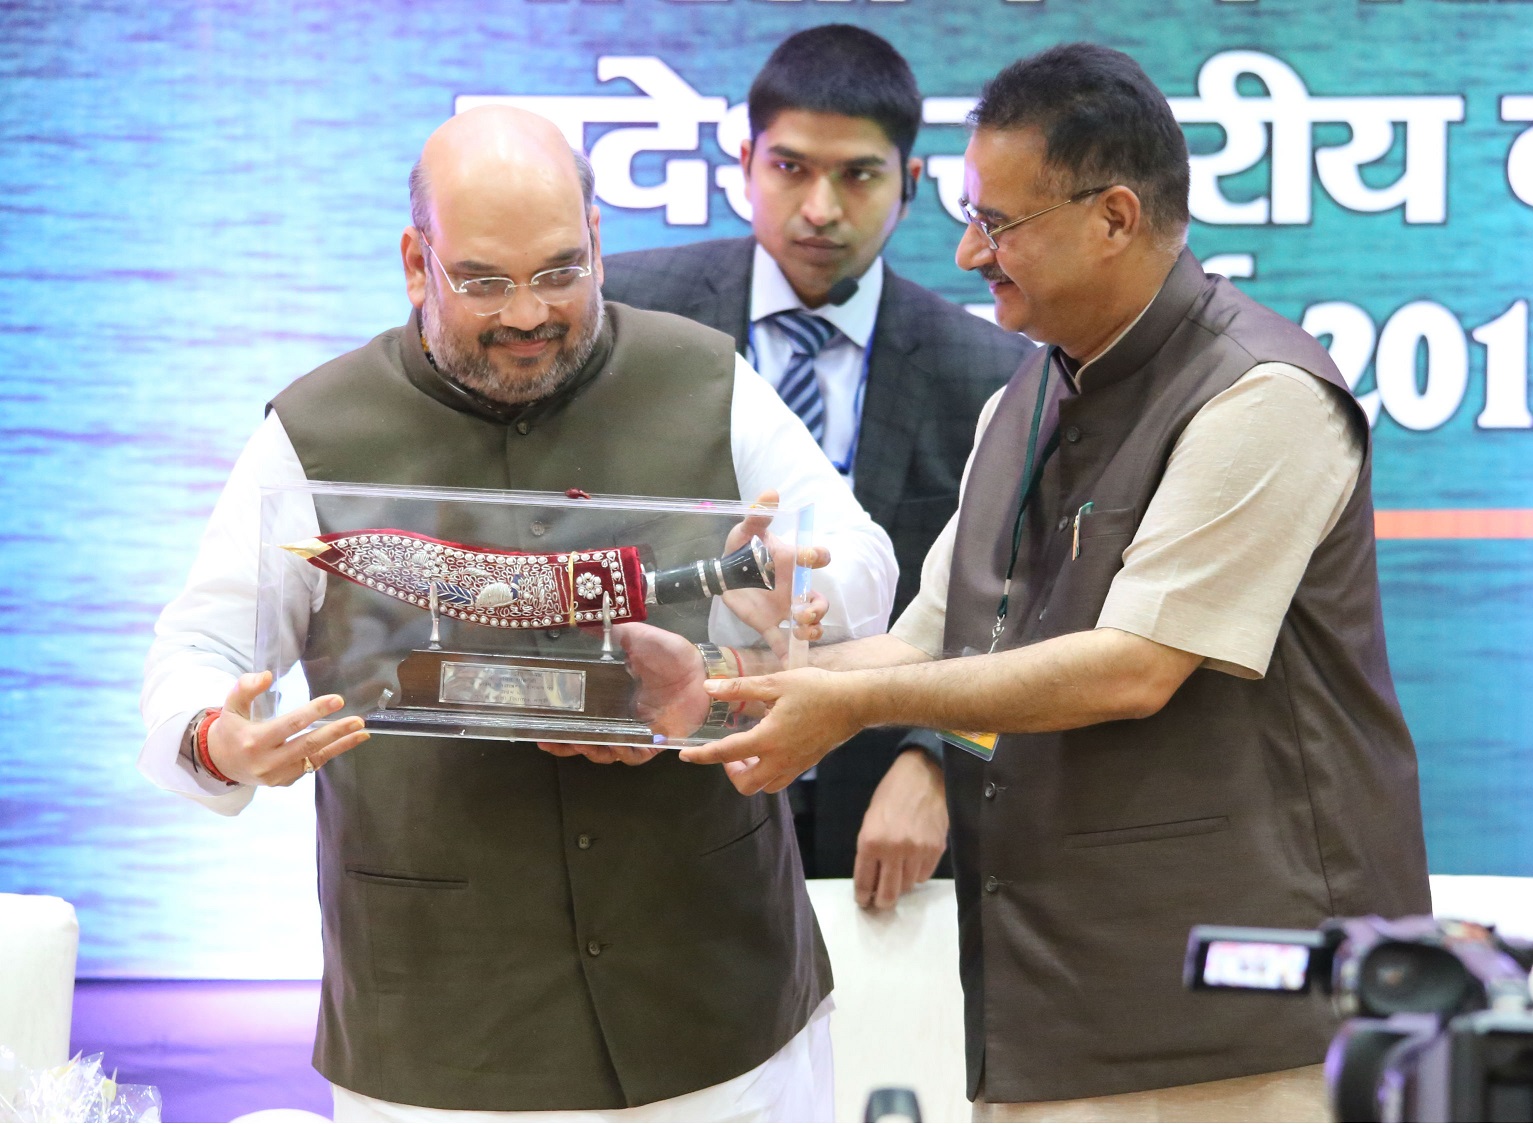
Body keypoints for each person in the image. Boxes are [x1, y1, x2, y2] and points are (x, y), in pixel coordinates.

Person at [685, 43, 1431, 1122]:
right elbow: (931, 636)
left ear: (1116, 216)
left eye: (1001, 222)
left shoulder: (1265, 395)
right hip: (1052, 997)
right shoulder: (1019, 402)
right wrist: (731, 680)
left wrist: (848, 702)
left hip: (1253, 1018)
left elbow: (1132, 668)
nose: (971, 249)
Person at [139, 105, 897, 1122]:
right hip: (444, 1026)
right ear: (418, 262)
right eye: (484, 281)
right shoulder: (312, 433)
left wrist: (777, 604)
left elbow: (860, 562)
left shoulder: (705, 375)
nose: (530, 313)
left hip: (718, 998)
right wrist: (219, 735)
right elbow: (201, 644)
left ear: (597, 237)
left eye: (560, 270)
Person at [602, 24, 1032, 908]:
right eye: (790, 168)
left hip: (878, 818)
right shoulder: (628, 322)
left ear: (912, 185)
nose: (820, 209)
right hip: (651, 793)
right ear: (744, 162)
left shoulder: (989, 372)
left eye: (858, 175)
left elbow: (1023, 605)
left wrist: (935, 762)